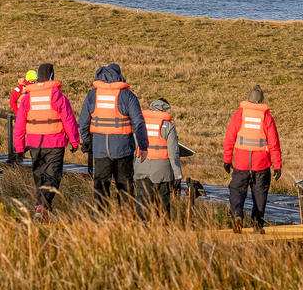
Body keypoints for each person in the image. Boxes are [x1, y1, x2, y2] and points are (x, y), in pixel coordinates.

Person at [76, 64, 147, 212]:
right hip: (123, 149)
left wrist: (87, 141)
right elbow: (139, 122)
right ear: (119, 76)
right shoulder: (128, 96)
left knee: (101, 186)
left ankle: (101, 219)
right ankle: (127, 219)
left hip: (100, 150)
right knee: (125, 186)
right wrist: (143, 146)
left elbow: (83, 122)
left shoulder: (92, 95)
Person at [13, 62, 80, 217]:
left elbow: (19, 125)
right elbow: (69, 121)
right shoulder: (59, 97)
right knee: (53, 176)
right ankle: (42, 208)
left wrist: (19, 148)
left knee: (40, 176)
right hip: (55, 142)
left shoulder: (27, 98)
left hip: (34, 143)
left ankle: (42, 209)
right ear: (52, 76)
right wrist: (75, 141)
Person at [222, 86, 282, 233]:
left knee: (237, 191)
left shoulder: (239, 115)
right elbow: (274, 143)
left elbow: (229, 138)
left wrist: (227, 159)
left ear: (248, 99)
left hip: (241, 162)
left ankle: (237, 216)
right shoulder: (266, 118)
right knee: (260, 195)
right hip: (261, 164)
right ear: (262, 100)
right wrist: (277, 166)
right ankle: (257, 225)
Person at [135, 98, 183, 215]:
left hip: (141, 166)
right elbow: (173, 153)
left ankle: (141, 225)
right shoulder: (168, 126)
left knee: (142, 200)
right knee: (162, 204)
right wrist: (178, 175)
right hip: (162, 171)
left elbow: (134, 146)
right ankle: (162, 228)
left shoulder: (140, 123)